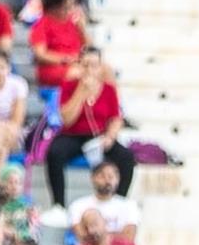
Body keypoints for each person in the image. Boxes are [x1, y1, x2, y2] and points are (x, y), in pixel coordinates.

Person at [43, 46, 136, 218]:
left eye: (94, 65)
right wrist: (81, 93)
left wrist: (109, 137)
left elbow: (116, 118)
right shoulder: (69, 86)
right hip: (73, 135)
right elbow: (67, 119)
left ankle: (119, 201)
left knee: (126, 157)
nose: (89, 70)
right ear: (79, 65)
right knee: (55, 153)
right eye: (85, 65)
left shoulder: (108, 89)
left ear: (100, 67)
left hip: (99, 136)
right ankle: (59, 205)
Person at [67, 156, 140, 235]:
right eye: (102, 176)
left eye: (111, 177)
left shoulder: (129, 205)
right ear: (93, 178)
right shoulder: (78, 205)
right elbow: (82, 236)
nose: (107, 181)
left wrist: (98, 236)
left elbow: (128, 238)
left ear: (118, 179)